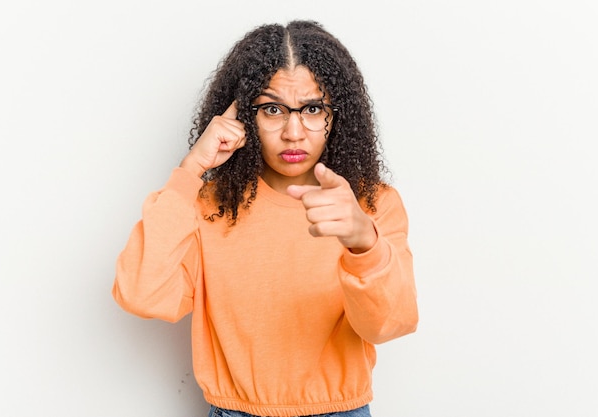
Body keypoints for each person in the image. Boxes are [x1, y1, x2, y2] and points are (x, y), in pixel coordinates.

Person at [112, 20, 418, 417]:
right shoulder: (210, 204)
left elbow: (390, 325)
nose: (294, 132)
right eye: (272, 109)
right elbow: (142, 294)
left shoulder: (371, 205)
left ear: (338, 114)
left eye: (312, 109)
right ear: (242, 114)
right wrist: (190, 172)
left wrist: (365, 243)